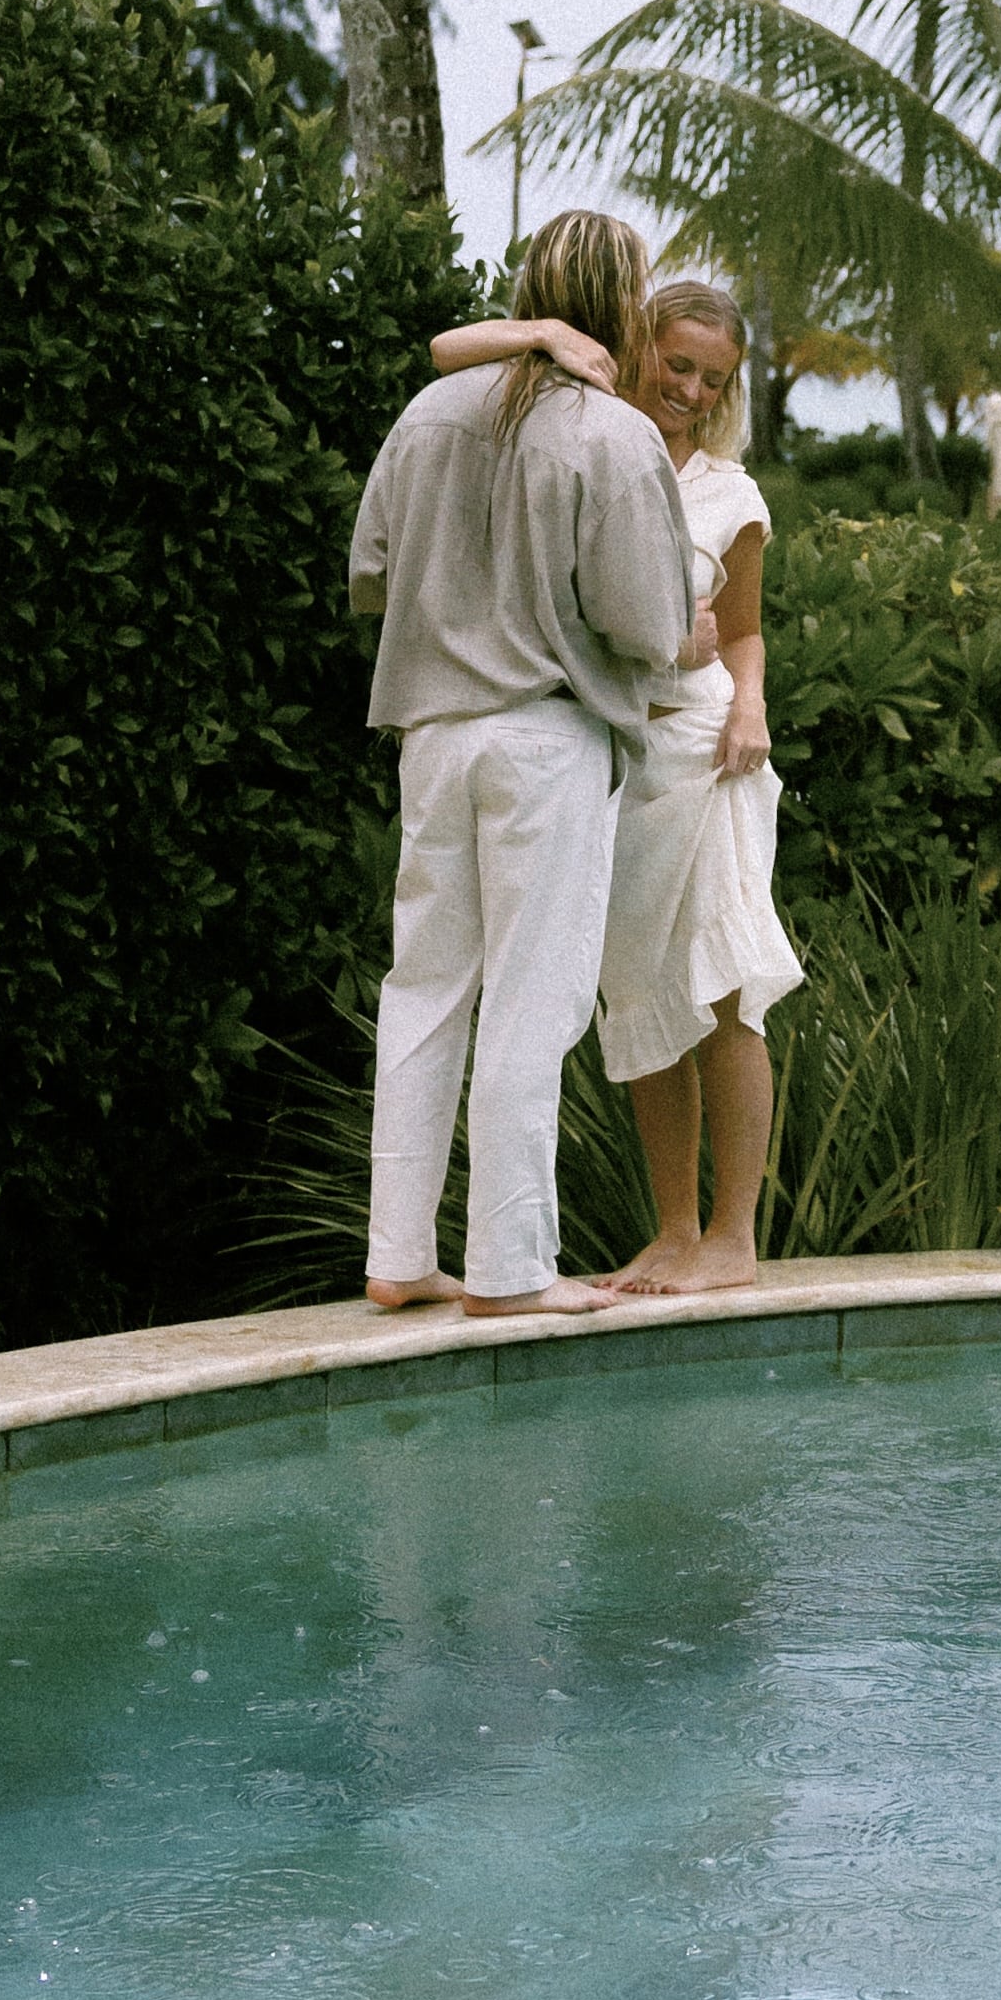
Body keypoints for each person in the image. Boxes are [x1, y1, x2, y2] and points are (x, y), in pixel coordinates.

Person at [349, 205, 693, 1315]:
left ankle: (399, 1255)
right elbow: (646, 621)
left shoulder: (429, 410)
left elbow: (371, 572)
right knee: (531, 1002)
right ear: (623, 305)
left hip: (434, 734)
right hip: (545, 736)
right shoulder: (612, 432)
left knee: (423, 989)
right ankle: (508, 1270)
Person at [593, 277, 801, 1292]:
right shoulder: (587, 451)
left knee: (724, 986)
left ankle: (733, 1234)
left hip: (712, 749)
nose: (687, 389)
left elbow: (747, 627)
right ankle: (674, 1229)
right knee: (638, 990)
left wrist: (750, 704)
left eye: (708, 379)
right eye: (676, 364)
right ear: (640, 349)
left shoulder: (732, 493)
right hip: (618, 758)